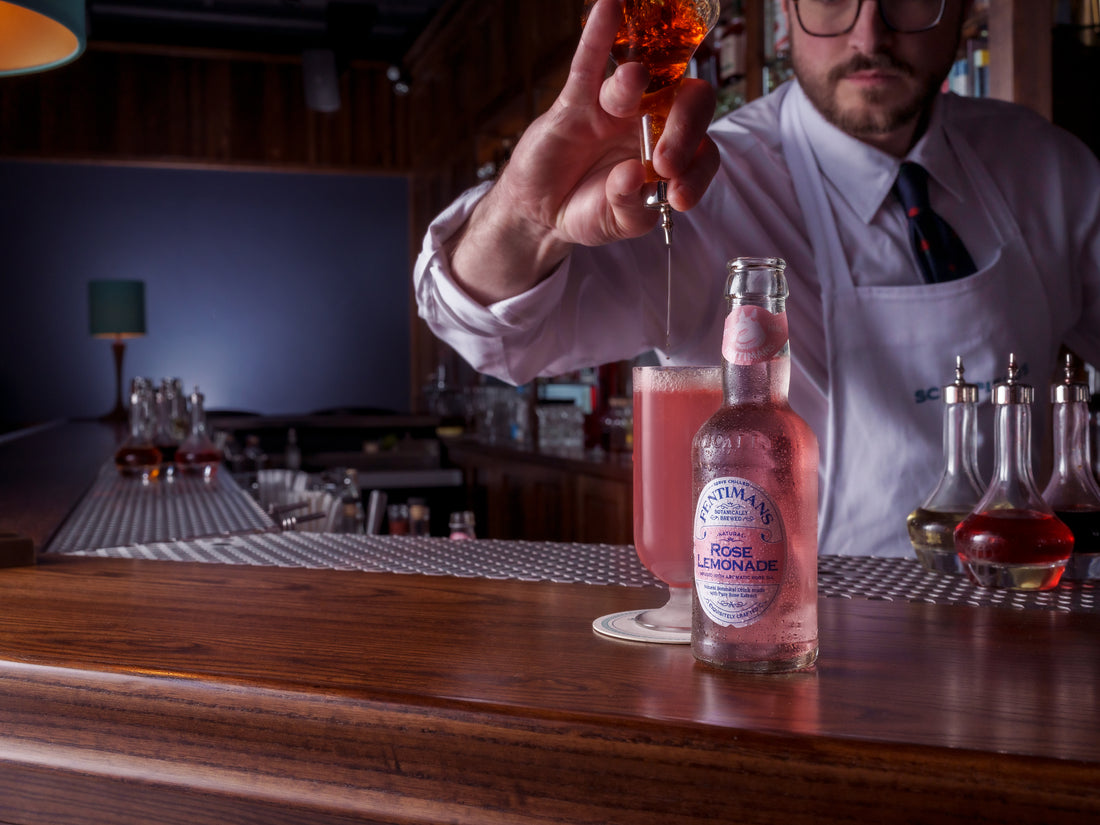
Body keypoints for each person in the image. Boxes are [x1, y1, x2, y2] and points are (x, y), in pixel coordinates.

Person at [414, 0, 1100, 556]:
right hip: (790, 645)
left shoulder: (1045, 168)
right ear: (784, 13)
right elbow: (490, 330)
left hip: (1016, 620)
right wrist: (528, 214)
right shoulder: (704, 180)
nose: (871, 30)